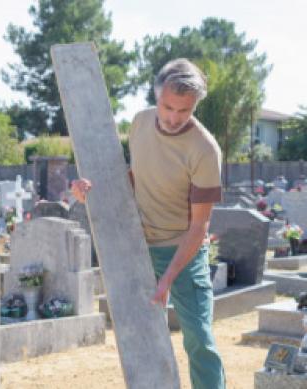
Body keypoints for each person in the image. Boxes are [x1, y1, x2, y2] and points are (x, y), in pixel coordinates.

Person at [72, 58, 225, 389]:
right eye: (167, 107)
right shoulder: (140, 123)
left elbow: (198, 227)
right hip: (137, 245)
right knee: (137, 335)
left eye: (183, 111)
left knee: (199, 338)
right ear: (157, 96)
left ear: (195, 105)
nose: (172, 118)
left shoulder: (205, 150)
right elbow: (132, 179)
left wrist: (168, 277)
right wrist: (90, 192)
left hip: (183, 252)